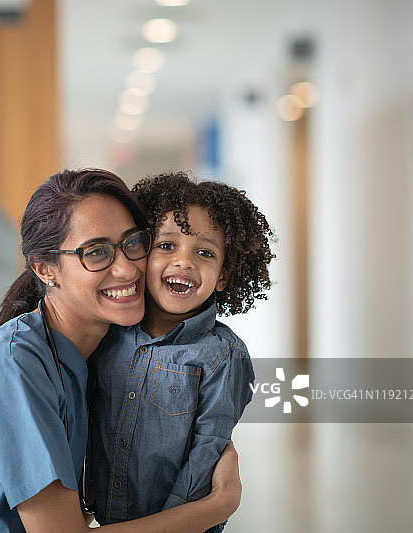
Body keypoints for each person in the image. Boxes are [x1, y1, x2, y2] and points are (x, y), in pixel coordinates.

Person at [0, 168, 242, 532]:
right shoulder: (14, 367)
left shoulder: (90, 359)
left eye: (133, 243)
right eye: (96, 252)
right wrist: (218, 504)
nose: (127, 269)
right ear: (46, 269)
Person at [87, 171, 274, 530]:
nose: (185, 262)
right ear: (142, 254)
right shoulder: (110, 332)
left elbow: (206, 456)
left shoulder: (223, 356)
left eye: (205, 252)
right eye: (167, 246)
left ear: (222, 275)